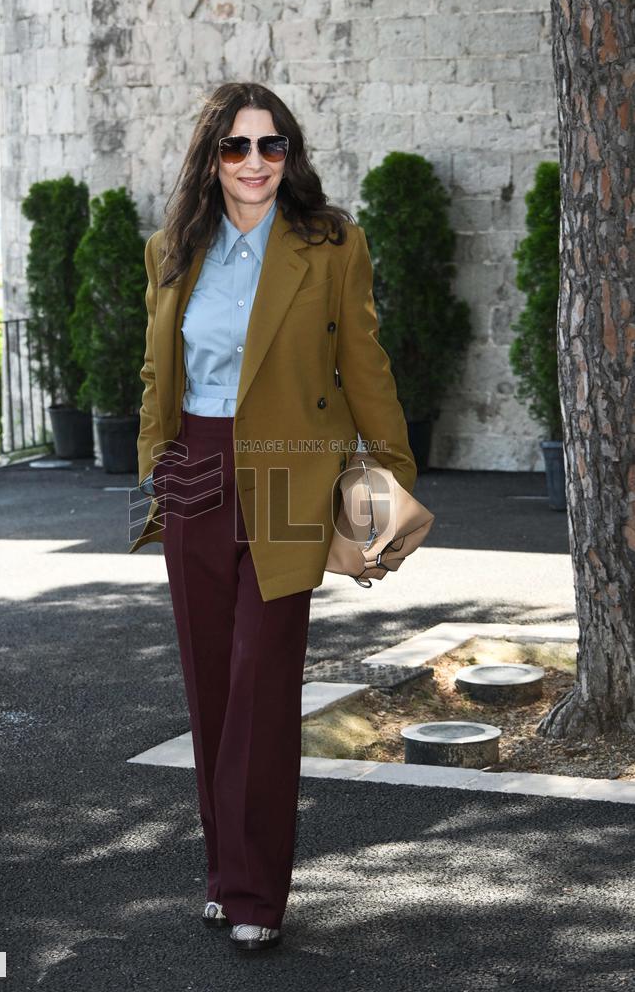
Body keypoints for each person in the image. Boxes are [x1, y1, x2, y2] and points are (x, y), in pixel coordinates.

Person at [130, 82, 416, 952]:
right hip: (195, 468)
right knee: (211, 683)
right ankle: (224, 876)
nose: (254, 162)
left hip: (291, 471)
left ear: (290, 155)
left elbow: (365, 364)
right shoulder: (172, 248)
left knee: (261, 678)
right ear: (211, 157)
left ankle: (257, 892)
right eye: (236, 146)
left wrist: (393, 476)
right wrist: (155, 466)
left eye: (271, 145)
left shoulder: (331, 244)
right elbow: (157, 374)